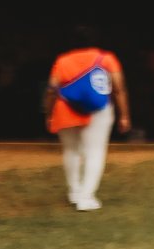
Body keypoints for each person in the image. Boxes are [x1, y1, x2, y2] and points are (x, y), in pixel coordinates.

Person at [47, 28, 129, 212]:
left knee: (71, 150)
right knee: (95, 152)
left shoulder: (62, 60)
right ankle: (86, 197)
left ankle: (74, 192)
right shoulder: (107, 58)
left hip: (65, 108)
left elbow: (52, 89)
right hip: (98, 110)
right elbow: (119, 89)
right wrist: (124, 115)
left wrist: (49, 113)